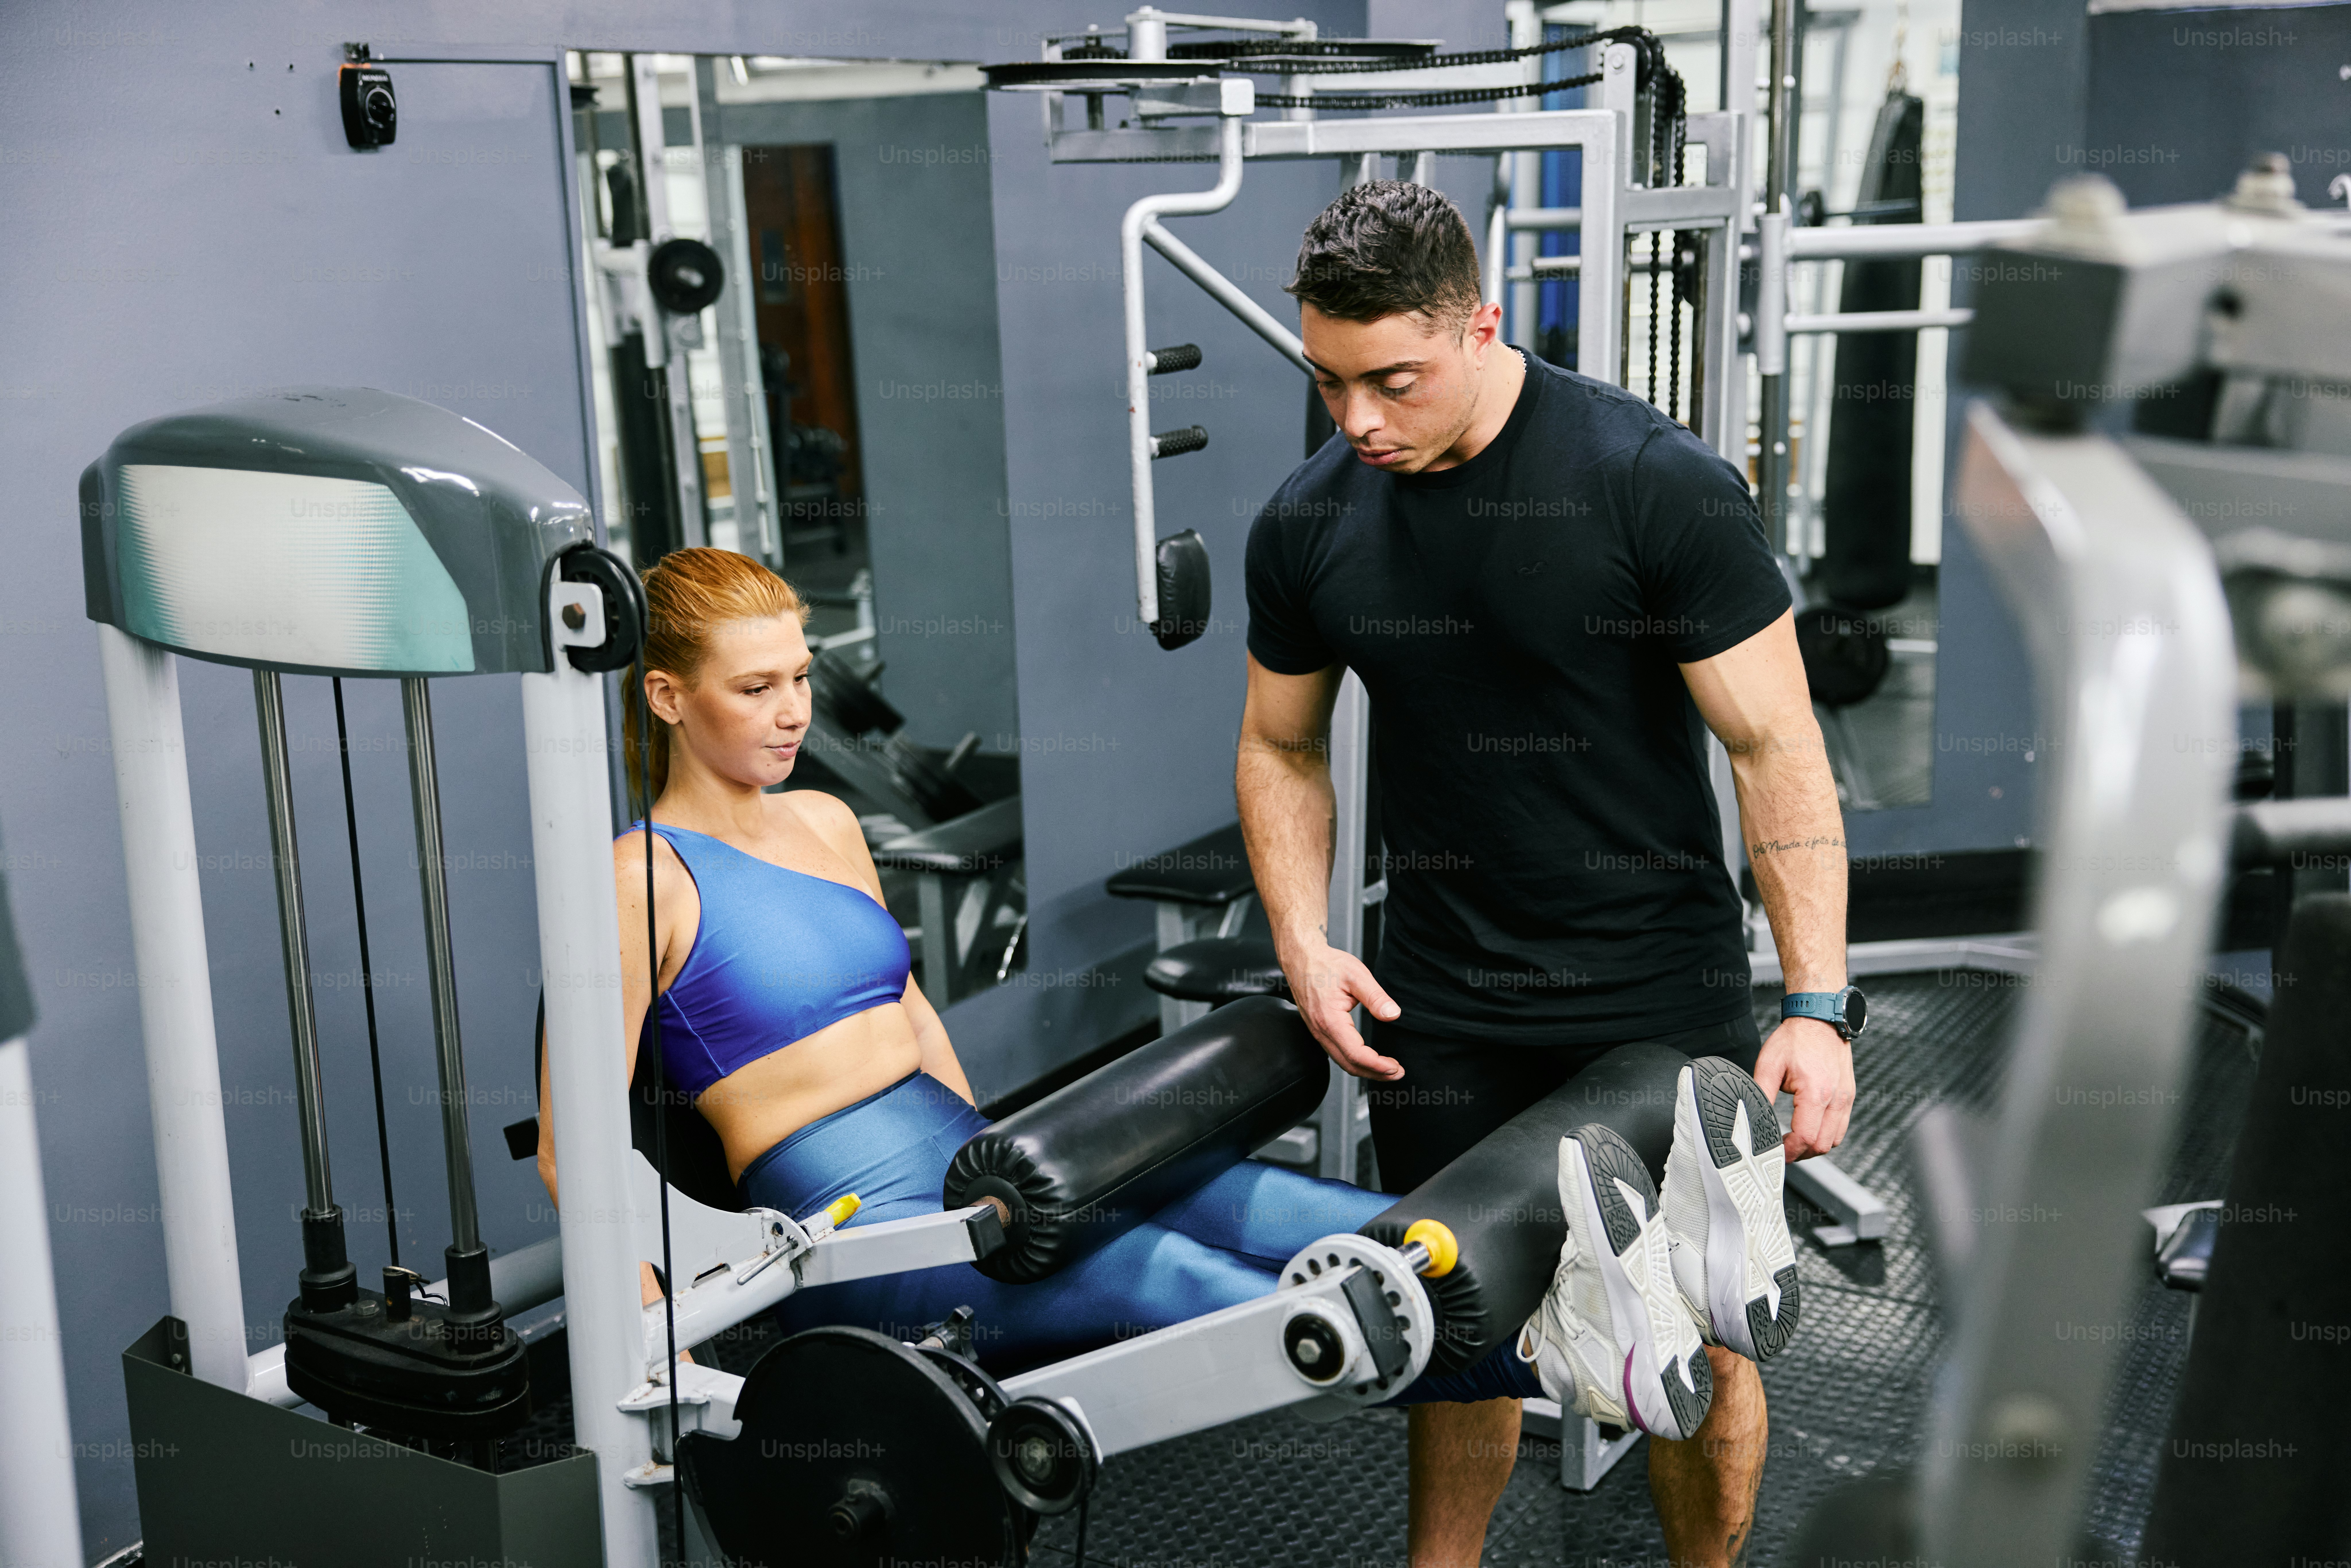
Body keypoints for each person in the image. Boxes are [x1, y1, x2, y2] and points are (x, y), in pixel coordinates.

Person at [530, 547, 1704, 1456]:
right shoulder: (638, 881)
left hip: (972, 1175)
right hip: (855, 1243)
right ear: (669, 697)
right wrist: (653, 1340)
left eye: (799, 676)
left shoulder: (831, 824)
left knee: (1284, 1206)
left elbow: (912, 1018)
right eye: (755, 687)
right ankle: (1577, 1366)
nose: (793, 711)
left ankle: (1659, 1300)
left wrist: (1022, 1156)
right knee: (1197, 1282)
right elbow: (571, 1149)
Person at [1238, 181, 1853, 1568]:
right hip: (1444, 1002)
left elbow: (1774, 745)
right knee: (1444, 1328)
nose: (1356, 421)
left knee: (1691, 1332)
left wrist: (1814, 1002)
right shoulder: (1309, 521)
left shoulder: (1651, 482)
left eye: (1389, 380)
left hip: (1653, 996)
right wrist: (1299, 936)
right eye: (1327, 382)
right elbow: (1279, 747)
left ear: (1481, 326)